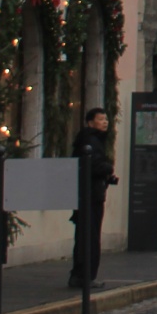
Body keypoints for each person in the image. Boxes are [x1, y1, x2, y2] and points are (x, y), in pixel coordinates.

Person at [67, 107, 117, 289]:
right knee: (89, 235)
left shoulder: (92, 139)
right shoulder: (90, 140)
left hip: (89, 193)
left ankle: (82, 274)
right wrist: (107, 168)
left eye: (106, 119)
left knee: (86, 235)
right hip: (89, 195)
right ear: (90, 122)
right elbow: (92, 165)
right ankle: (84, 275)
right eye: (101, 119)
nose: (105, 122)